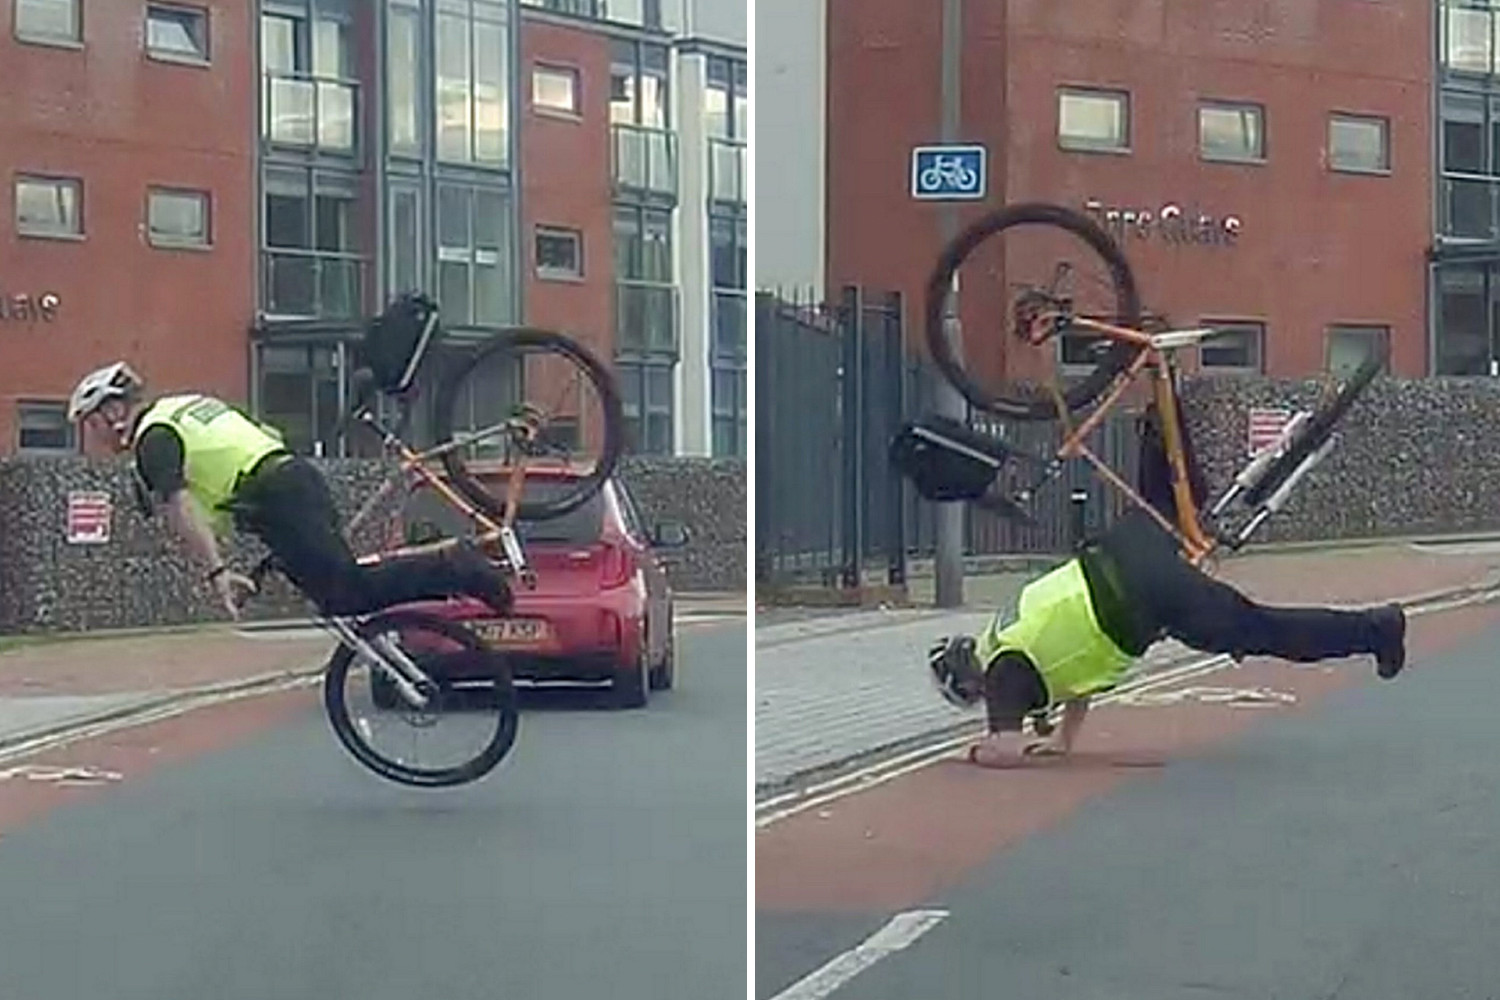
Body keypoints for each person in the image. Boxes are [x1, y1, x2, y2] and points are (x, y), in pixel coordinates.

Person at [895, 412, 1407, 769]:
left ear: (970, 683)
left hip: (1146, 598)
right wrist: (1064, 744)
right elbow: (1075, 684)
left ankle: (1377, 630)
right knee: (1174, 500)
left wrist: (978, 753)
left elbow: (1004, 750)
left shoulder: (1003, 675)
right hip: (1121, 549)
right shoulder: (1011, 641)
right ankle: (1159, 393)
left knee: (1262, 629)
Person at [66, 361, 512, 621]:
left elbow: (181, 506)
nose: (94, 435)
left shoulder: (153, 438)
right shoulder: (181, 406)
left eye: (91, 422)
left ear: (112, 412)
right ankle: (443, 574)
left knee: (347, 594)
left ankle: (457, 568)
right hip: (287, 482)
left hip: (277, 494)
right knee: (335, 589)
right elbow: (259, 435)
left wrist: (218, 574)